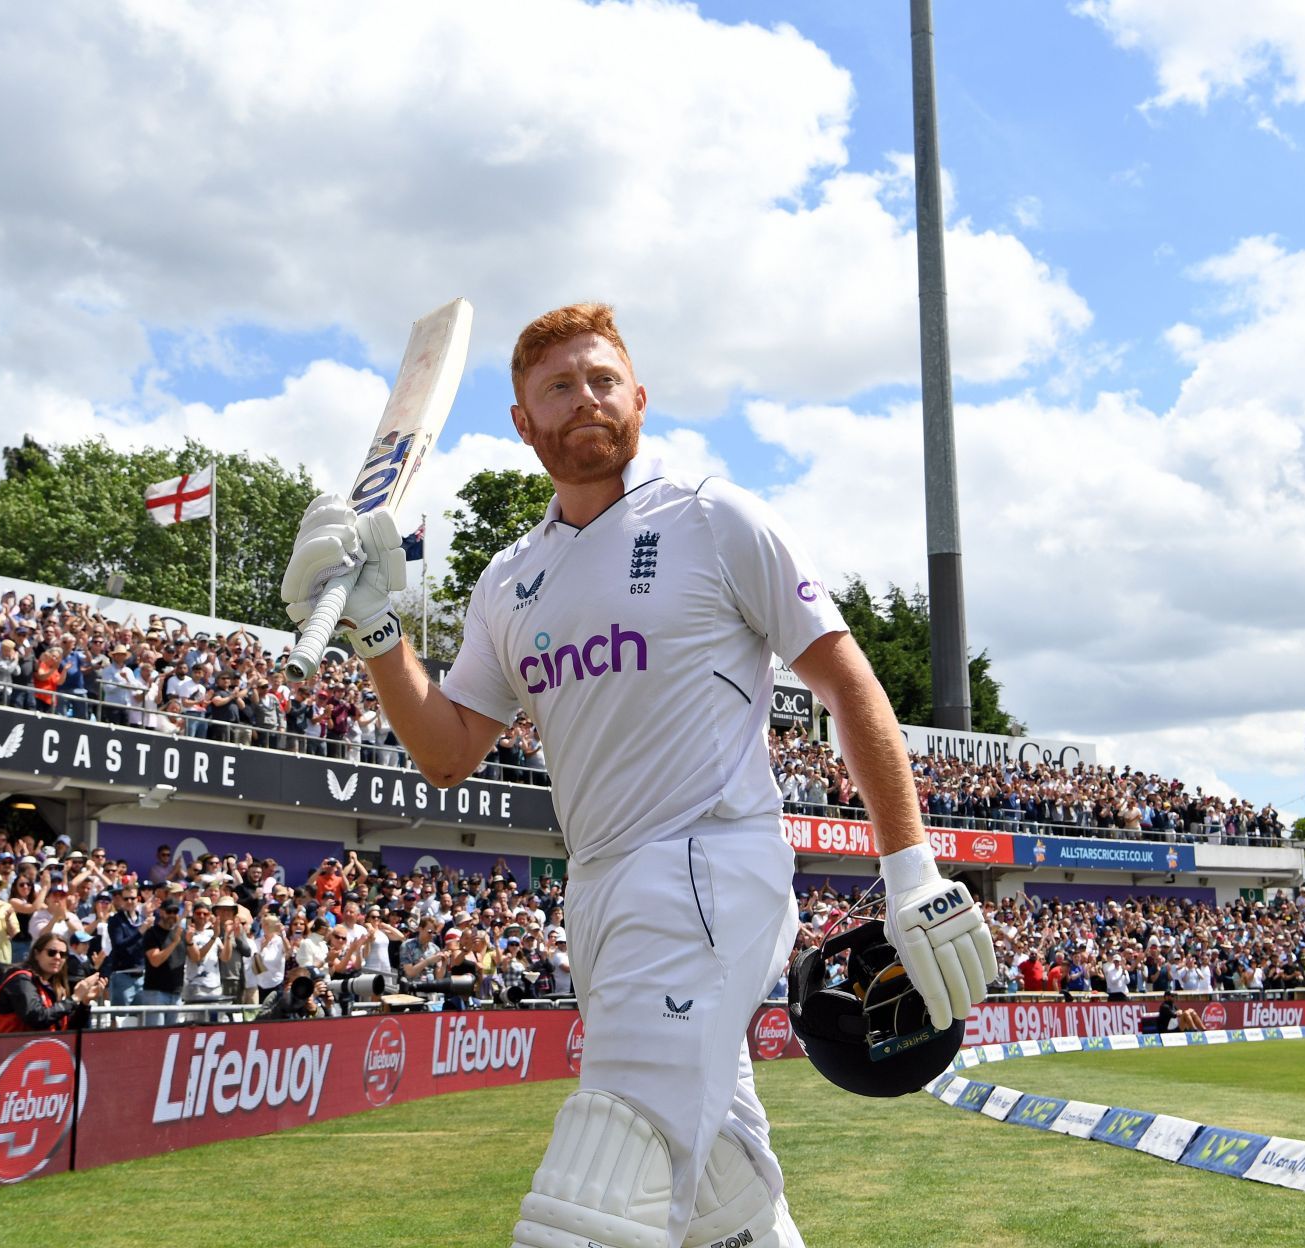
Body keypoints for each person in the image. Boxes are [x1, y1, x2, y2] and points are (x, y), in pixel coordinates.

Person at [281, 302, 994, 1248]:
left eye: (603, 379)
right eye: (559, 388)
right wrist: (379, 634)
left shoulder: (713, 516)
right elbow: (449, 751)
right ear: (524, 422)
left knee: (599, 1189)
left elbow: (847, 682)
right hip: (601, 891)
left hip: (710, 864)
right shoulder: (508, 580)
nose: (586, 400)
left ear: (641, 398)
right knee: (720, 1200)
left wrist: (911, 869)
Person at [0, 930, 105, 1033]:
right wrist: (74, 999)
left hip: (41, 1053)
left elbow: (68, 1030)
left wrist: (84, 1003)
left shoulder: (55, 986)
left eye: (62, 954)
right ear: (37, 954)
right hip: (6, 1054)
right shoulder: (21, 980)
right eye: (51, 952)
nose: (57, 957)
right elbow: (36, 1018)